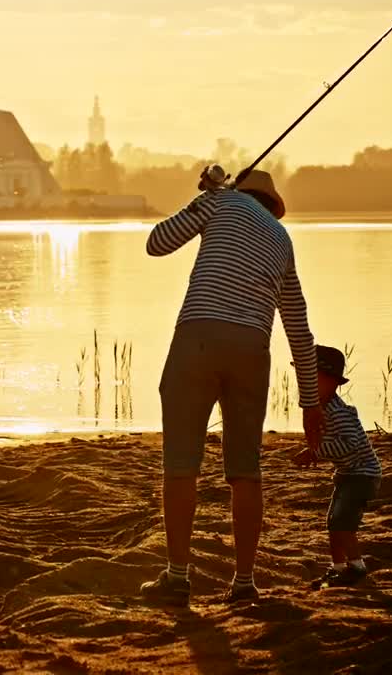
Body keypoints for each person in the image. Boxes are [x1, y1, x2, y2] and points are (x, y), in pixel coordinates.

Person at [140, 165, 324, 606]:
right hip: (251, 350)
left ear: (240, 190)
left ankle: (178, 575)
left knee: (181, 464)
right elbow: (298, 328)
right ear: (273, 207)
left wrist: (204, 198)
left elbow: (157, 243)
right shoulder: (282, 240)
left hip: (198, 338)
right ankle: (244, 582)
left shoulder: (221, 200)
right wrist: (310, 402)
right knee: (246, 470)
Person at [291, 345, 383, 589]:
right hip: (346, 474)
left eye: (313, 380)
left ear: (332, 383)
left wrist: (315, 453)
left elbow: (350, 444)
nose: (306, 385)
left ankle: (357, 567)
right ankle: (338, 567)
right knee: (333, 522)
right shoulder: (321, 408)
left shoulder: (338, 411)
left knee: (342, 523)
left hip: (362, 475)